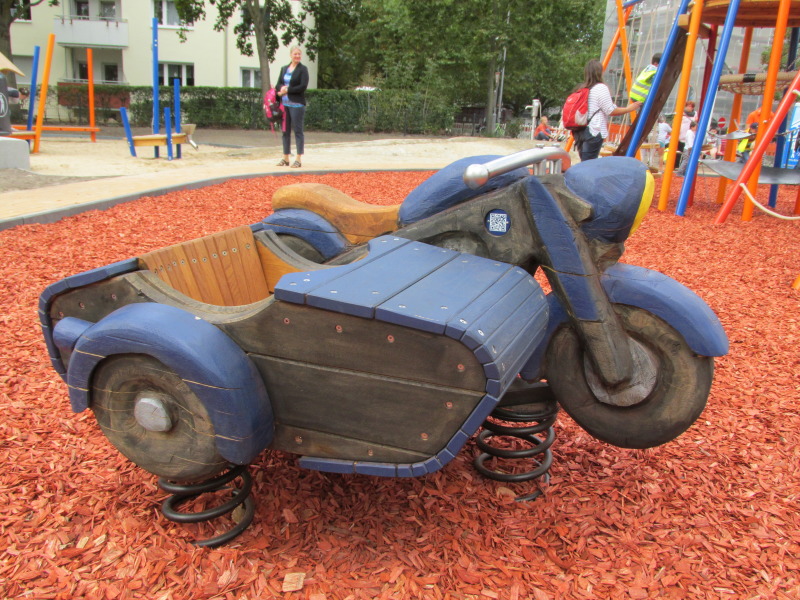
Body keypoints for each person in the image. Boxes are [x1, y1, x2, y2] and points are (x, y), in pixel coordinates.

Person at [574, 59, 641, 161]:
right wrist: (628, 109)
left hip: (580, 131)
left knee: (585, 161)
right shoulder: (600, 88)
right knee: (589, 164)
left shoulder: (582, 88)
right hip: (594, 130)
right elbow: (610, 110)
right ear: (600, 72)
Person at [275, 46, 309, 168]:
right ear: (290, 55)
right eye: (295, 54)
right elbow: (278, 83)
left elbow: (302, 86)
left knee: (298, 131)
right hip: (285, 105)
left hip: (297, 105)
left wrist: (288, 90)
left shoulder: (303, 70)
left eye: (299, 54)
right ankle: (285, 157)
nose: (297, 56)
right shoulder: (284, 69)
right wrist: (280, 90)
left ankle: (298, 158)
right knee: (285, 131)